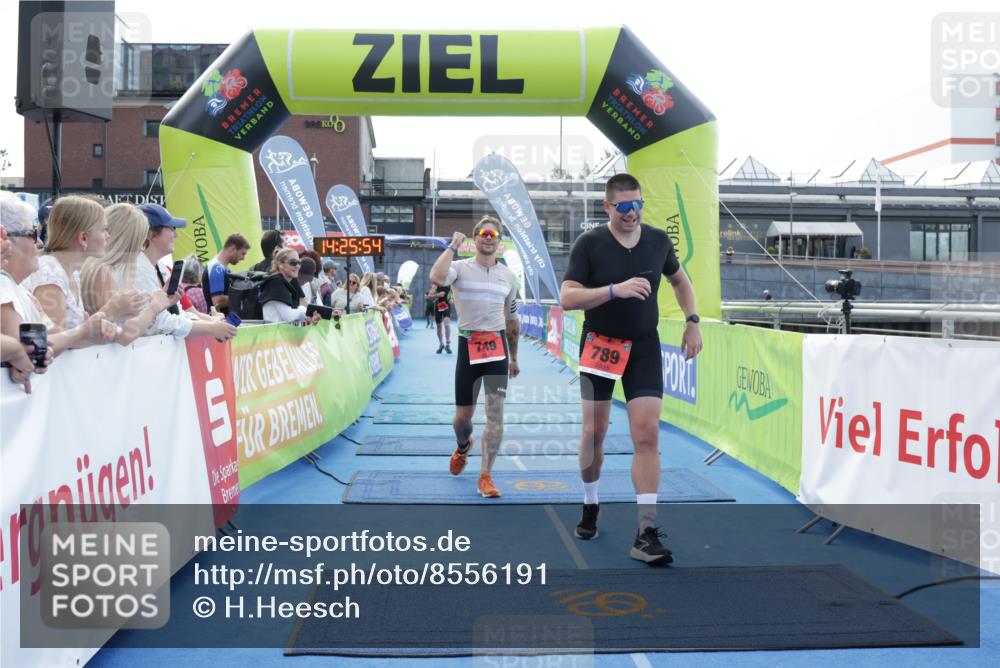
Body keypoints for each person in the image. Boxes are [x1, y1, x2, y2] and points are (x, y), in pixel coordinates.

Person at [560, 173, 703, 565]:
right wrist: (613, 290)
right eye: (624, 206)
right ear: (608, 207)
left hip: (643, 346)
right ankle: (591, 502)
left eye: (638, 204)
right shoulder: (589, 244)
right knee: (594, 434)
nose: (632, 212)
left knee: (647, 434)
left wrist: (693, 321)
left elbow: (680, 281)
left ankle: (646, 532)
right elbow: (568, 297)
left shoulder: (657, 240)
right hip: (601, 344)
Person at [428, 216, 520, 499]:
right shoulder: (459, 267)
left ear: (500, 240)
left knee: (495, 415)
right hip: (468, 347)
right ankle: (462, 444)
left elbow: (512, 319)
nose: (488, 237)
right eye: (483, 233)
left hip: (497, 349)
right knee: (462, 419)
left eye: (494, 234)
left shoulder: (508, 276)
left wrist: (514, 357)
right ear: (475, 237)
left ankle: (486, 475)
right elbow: (436, 277)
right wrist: (454, 244)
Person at [23, 196, 144, 329]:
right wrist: (110, 311)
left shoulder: (71, 272)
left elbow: (72, 335)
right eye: (103, 230)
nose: (108, 236)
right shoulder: (49, 273)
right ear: (83, 238)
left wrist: (94, 322)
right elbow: (52, 342)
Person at [132, 203, 236, 341]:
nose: (176, 234)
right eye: (172, 228)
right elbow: (160, 323)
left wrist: (212, 324)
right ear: (153, 235)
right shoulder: (138, 270)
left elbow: (179, 314)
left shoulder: (160, 268)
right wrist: (211, 327)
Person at [259, 248, 322, 325]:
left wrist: (310, 318)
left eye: (299, 262)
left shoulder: (289, 282)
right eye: (293, 262)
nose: (298, 266)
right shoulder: (275, 282)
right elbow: (289, 316)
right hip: (275, 335)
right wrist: (303, 309)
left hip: (285, 334)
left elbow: (298, 311)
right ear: (280, 265)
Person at [203, 233, 250, 313]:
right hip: (218, 321)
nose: (243, 258)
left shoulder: (223, 269)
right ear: (233, 249)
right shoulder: (217, 268)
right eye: (243, 253)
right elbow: (217, 301)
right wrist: (243, 299)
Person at [428, 282, 454, 353]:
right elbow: (429, 296)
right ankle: (441, 344)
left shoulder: (450, 283)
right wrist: (438, 295)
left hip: (446, 305)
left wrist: (452, 298)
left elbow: (453, 293)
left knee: (446, 324)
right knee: (439, 327)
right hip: (438, 306)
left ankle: (448, 344)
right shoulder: (436, 284)